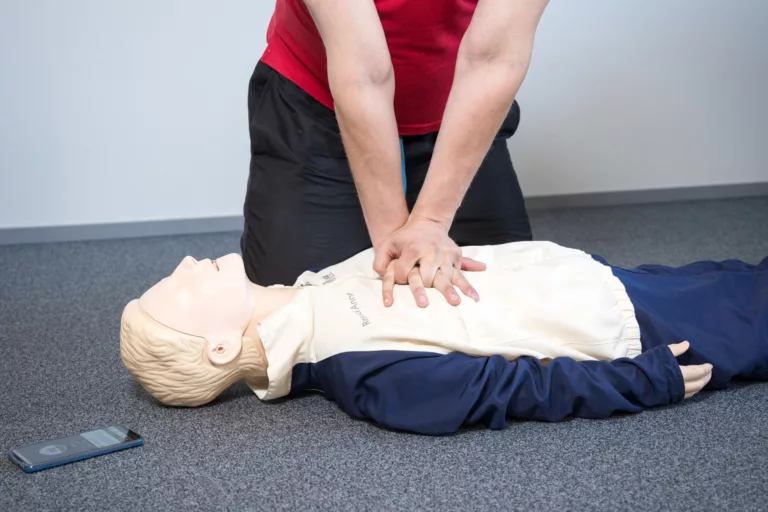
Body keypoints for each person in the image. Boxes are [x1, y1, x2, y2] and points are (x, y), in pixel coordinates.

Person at [119, 241, 768, 436]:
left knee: (746, 276)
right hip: (627, 327)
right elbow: (512, 390)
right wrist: (641, 380)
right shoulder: (363, 374)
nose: (181, 269)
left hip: (601, 279)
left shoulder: (311, 289)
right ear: (222, 347)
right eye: (179, 293)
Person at [240, 0, 550, 307]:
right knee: (284, 311)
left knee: (511, 300)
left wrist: (431, 221)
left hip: (454, 109)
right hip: (318, 101)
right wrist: (398, 250)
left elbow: (494, 57)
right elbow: (364, 71)